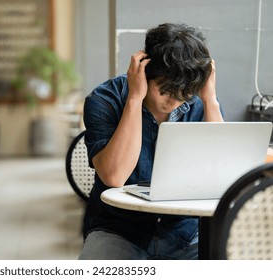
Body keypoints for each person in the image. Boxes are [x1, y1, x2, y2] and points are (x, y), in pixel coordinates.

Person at [78, 23, 224, 260]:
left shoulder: (199, 104)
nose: (175, 102)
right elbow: (114, 176)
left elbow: (221, 173)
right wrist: (135, 100)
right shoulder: (104, 99)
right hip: (118, 231)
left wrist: (210, 100)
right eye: (166, 91)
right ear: (144, 72)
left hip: (185, 234)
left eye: (184, 94)